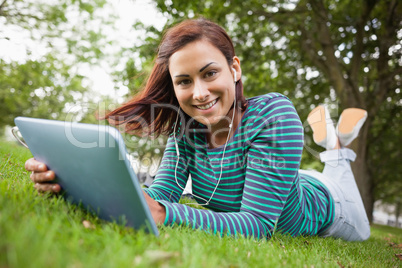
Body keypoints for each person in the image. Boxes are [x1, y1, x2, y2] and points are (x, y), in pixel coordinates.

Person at [24, 18, 370, 241]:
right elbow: (161, 195)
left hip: (332, 206)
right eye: (184, 81)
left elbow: (257, 225)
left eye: (209, 73)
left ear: (234, 68)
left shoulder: (273, 115)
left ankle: (336, 148)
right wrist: (71, 183)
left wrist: (165, 214)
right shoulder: (186, 131)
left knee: (339, 172)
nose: (200, 93)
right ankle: (333, 144)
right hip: (291, 180)